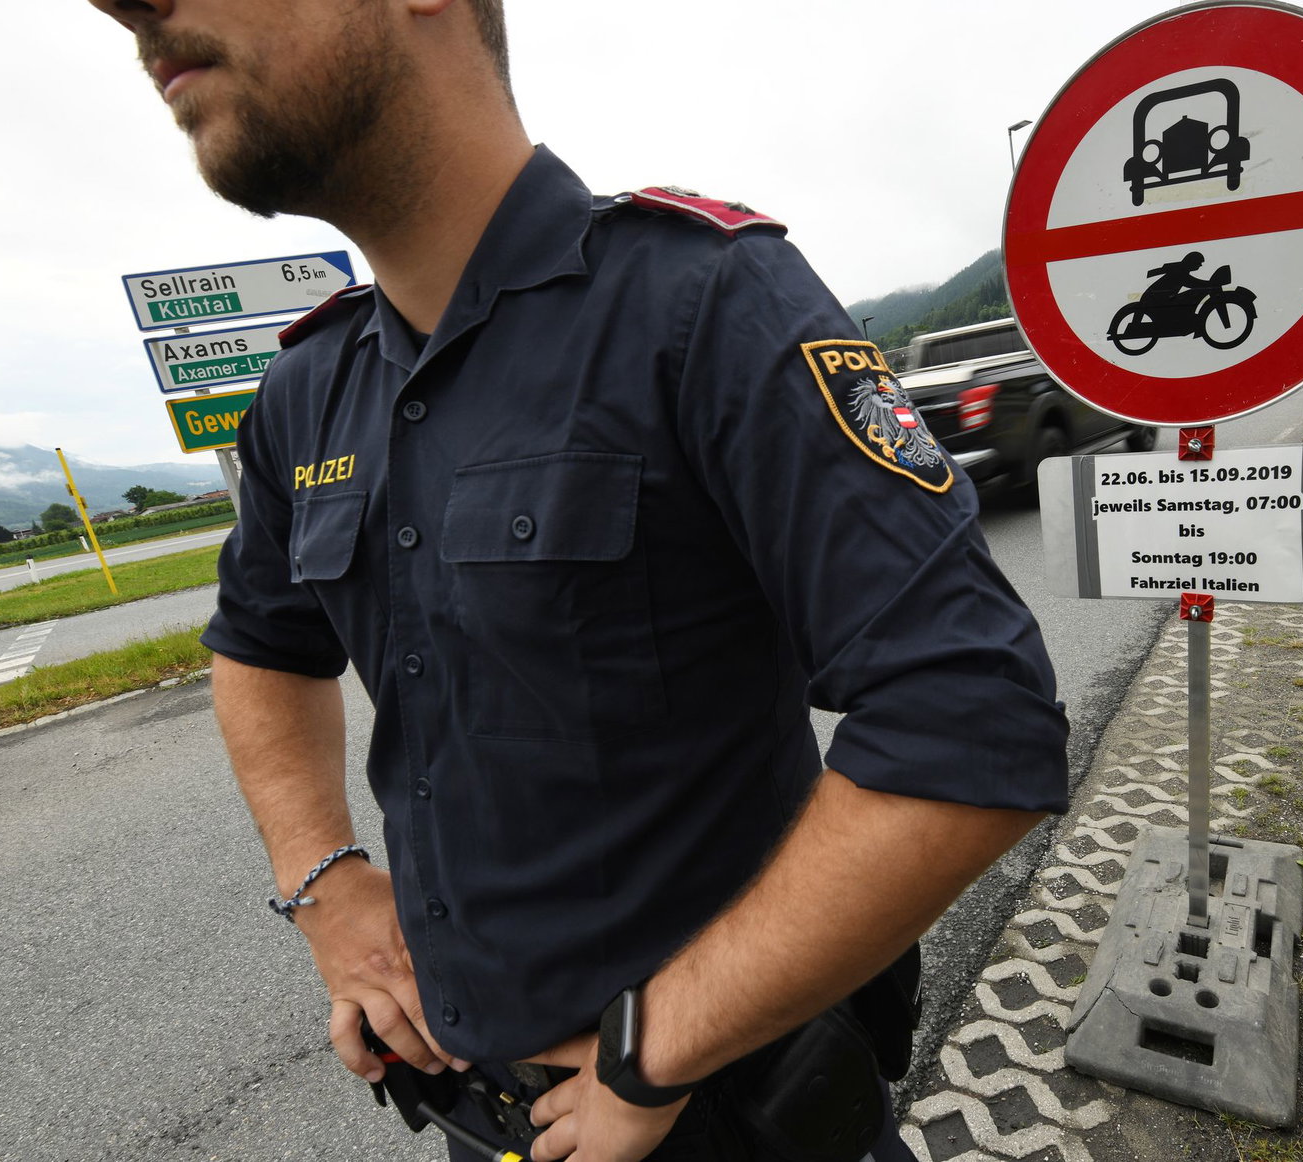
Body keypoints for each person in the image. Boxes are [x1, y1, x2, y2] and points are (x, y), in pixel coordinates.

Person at [86, 2, 1070, 1160]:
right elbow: (259, 643)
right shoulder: (303, 393)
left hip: (730, 1117)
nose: (124, 8)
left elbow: (972, 718)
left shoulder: (701, 302)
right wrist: (326, 885)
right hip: (483, 1115)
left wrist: (654, 1050)